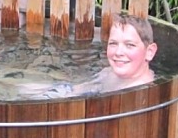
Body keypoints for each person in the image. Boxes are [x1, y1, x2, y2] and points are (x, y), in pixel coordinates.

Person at [18, 12, 158, 98]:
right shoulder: (109, 72)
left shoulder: (143, 92)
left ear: (149, 52)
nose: (118, 52)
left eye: (130, 45)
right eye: (113, 43)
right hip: (77, 91)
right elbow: (82, 88)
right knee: (22, 89)